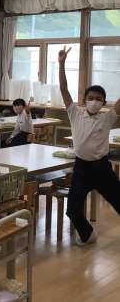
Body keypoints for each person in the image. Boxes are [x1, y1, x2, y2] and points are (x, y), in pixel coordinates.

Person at [59, 46, 120, 246]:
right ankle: (87, 234)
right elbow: (64, 89)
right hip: (81, 168)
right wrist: (61, 64)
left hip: (102, 168)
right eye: (91, 98)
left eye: (98, 99)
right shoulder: (75, 113)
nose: (94, 101)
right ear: (84, 100)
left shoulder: (107, 117)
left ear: (104, 102)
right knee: (72, 210)